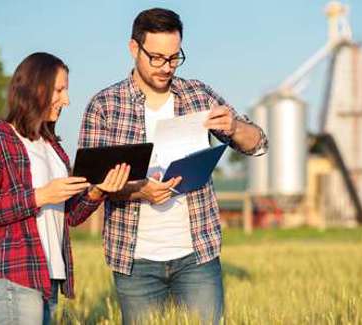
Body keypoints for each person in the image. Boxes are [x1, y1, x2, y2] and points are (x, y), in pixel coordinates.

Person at [78, 8, 268, 324]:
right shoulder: (105, 106)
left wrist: (234, 127)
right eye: (156, 58)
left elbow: (259, 144)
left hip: (197, 255)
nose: (167, 67)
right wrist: (141, 191)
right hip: (135, 260)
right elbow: (91, 183)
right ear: (133, 48)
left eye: (174, 57)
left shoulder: (198, 94)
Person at [0, 52, 131, 325]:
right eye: (60, 90)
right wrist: (41, 196)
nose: (66, 100)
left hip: (50, 278)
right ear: (35, 87)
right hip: (14, 275)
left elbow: (71, 216)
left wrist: (98, 191)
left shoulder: (54, 148)